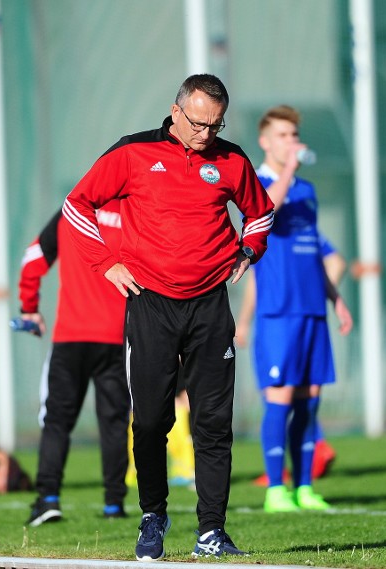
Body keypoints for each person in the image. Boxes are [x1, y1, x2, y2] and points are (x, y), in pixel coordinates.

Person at [62, 74, 274, 560]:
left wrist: (249, 250)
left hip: (210, 306)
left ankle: (211, 532)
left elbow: (260, 214)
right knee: (153, 419)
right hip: (151, 304)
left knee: (214, 423)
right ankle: (153, 515)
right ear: (176, 111)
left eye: (215, 125)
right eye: (199, 123)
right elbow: (77, 205)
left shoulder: (231, 158)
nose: (206, 134)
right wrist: (105, 262)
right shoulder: (133, 154)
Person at [249, 105, 352, 513]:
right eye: (282, 135)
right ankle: (277, 489)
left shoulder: (306, 191)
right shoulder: (257, 182)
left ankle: (305, 486)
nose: (290, 141)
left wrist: (336, 298)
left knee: (310, 400)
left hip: (312, 309)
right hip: (278, 311)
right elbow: (265, 210)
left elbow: (315, 254)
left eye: (294, 135)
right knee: (281, 397)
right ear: (265, 141)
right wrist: (288, 171)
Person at [17, 202, 131, 526]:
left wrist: (29, 306)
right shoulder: (135, 211)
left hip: (71, 336)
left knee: (57, 421)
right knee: (114, 423)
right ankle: (114, 505)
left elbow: (34, 258)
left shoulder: (72, 211)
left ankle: (48, 499)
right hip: (117, 337)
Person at [235, 232, 345, 486]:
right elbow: (337, 262)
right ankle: (295, 472)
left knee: (280, 397)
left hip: (279, 318)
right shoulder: (304, 228)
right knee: (297, 396)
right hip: (304, 317)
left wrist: (244, 320)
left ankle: (280, 478)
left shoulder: (271, 232)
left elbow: (255, 279)